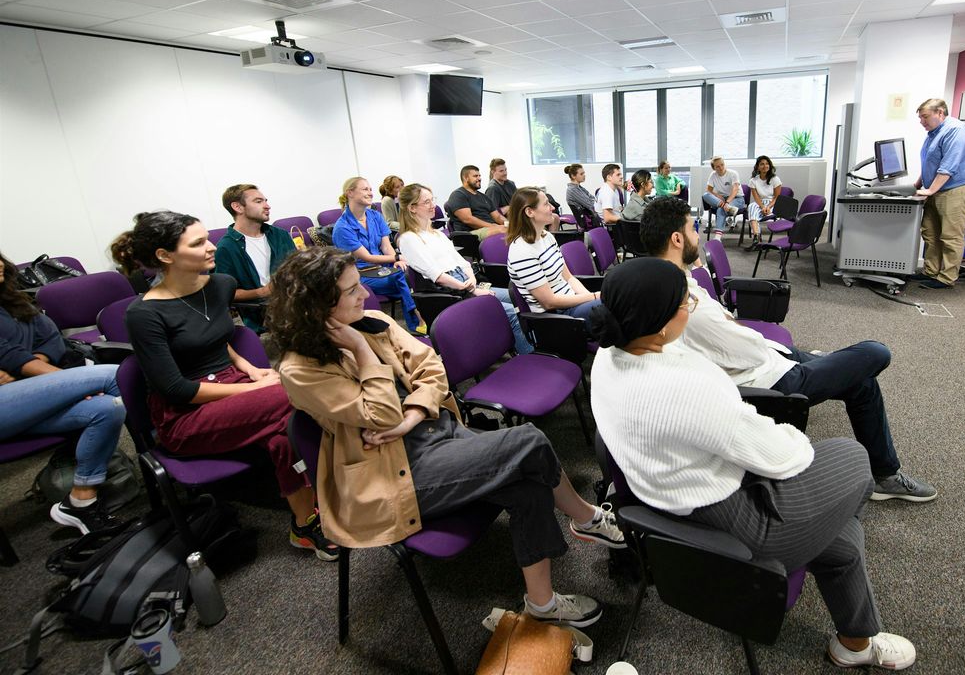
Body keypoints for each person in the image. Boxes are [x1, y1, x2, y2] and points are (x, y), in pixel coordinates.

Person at [587, 257, 917, 671]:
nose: (692, 305)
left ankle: (855, 642)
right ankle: (822, 546)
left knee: (844, 537)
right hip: (737, 526)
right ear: (662, 323)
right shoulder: (684, 388)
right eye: (685, 301)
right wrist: (792, 436)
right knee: (853, 457)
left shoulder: (608, 358)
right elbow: (784, 456)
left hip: (670, 500)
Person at [269, 247, 621, 627]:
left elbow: (432, 366)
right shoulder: (300, 368)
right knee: (528, 441)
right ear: (318, 307)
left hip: (432, 433)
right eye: (352, 290)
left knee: (528, 483)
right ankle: (586, 519)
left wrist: (413, 415)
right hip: (393, 472)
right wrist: (359, 349)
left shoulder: (370, 319)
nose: (365, 295)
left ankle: (542, 605)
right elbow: (382, 413)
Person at [638, 198, 936, 502]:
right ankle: (886, 473)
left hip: (770, 357)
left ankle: (885, 474)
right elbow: (749, 351)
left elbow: (733, 335)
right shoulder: (686, 304)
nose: (698, 235)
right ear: (677, 239)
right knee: (876, 353)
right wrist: (743, 331)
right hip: (769, 380)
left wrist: (741, 330)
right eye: (692, 229)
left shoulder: (670, 281)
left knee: (861, 381)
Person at [112, 212, 338, 560]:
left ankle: (305, 524)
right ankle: (348, 483)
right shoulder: (143, 314)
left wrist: (250, 368)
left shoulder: (220, 285)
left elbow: (217, 338)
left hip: (234, 387)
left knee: (287, 428)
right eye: (198, 242)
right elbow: (176, 389)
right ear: (164, 256)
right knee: (295, 393)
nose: (212, 246)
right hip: (186, 415)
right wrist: (255, 389)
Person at [0, 253, 126, 535]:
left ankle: (81, 501)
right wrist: (72, 388)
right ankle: (176, 447)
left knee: (107, 408)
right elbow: (11, 357)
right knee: (111, 375)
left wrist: (47, 380)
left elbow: (51, 338)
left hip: (29, 395)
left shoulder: (14, 300)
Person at [395, 183, 533, 355]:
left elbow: (462, 262)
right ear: (412, 208)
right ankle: (528, 356)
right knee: (511, 312)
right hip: (450, 292)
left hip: (465, 282)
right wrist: (470, 290)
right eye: (426, 202)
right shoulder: (409, 239)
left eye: (432, 200)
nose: (433, 205)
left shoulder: (437, 234)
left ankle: (525, 347)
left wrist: (473, 283)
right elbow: (436, 275)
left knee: (521, 298)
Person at [331, 176, 421, 332]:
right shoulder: (342, 227)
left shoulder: (375, 216)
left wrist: (395, 261)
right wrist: (396, 258)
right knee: (402, 277)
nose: (370, 193)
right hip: (362, 274)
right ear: (350, 193)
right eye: (365, 189)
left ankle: (418, 318)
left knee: (408, 271)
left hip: (384, 268)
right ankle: (417, 320)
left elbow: (386, 246)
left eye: (370, 189)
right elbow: (367, 257)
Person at [913, 98, 965, 289]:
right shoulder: (933, 133)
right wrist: (918, 184)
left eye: (925, 117)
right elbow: (930, 162)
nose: (922, 121)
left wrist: (930, 190)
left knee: (950, 235)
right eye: (920, 118)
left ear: (940, 113)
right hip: (937, 187)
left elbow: (948, 166)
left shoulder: (955, 130)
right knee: (930, 232)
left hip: (957, 187)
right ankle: (930, 271)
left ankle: (946, 277)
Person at [507, 188, 601, 319]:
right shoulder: (521, 250)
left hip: (572, 302)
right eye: (546, 204)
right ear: (529, 212)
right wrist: (594, 297)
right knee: (618, 305)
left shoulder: (547, 236)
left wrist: (591, 300)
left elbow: (569, 278)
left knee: (619, 300)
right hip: (558, 316)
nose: (552, 208)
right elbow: (549, 302)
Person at [213, 184, 295, 332]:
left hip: (295, 302)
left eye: (265, 200)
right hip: (264, 318)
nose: (267, 206)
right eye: (258, 201)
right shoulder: (226, 248)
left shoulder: (280, 235)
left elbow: (298, 269)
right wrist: (261, 292)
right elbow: (225, 293)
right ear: (238, 207)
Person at [446, 165, 507, 239]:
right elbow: (468, 219)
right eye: (475, 176)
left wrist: (509, 224)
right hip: (471, 233)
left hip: (490, 228)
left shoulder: (484, 197)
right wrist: (493, 226)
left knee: (514, 229)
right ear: (466, 178)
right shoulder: (458, 195)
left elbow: (497, 216)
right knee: (502, 231)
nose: (479, 178)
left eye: (479, 176)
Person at [744, 155, 782, 250]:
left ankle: (757, 242)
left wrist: (768, 207)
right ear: (757, 167)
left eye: (767, 163)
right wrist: (762, 207)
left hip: (773, 203)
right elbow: (756, 197)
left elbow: (777, 197)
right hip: (760, 202)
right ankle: (756, 238)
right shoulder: (753, 180)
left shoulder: (775, 179)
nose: (765, 166)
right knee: (751, 206)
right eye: (762, 164)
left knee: (754, 213)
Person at [703, 157, 744, 239]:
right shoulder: (713, 175)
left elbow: (735, 189)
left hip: (737, 198)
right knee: (705, 195)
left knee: (721, 209)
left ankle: (717, 237)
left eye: (722, 165)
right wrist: (718, 196)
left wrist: (727, 202)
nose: (721, 168)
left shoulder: (733, 173)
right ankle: (728, 208)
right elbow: (708, 190)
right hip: (722, 200)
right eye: (717, 166)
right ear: (713, 168)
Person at [563, 164, 596, 229]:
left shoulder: (579, 188)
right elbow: (590, 204)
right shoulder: (572, 190)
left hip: (591, 218)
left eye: (584, 173)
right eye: (581, 174)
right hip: (588, 221)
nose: (584, 175)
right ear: (573, 176)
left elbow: (592, 198)